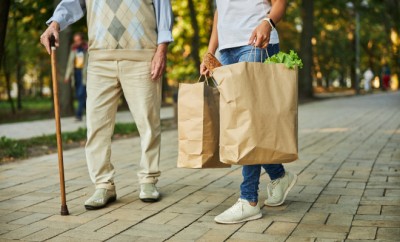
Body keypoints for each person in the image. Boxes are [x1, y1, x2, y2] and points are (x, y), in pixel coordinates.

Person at [40, 0, 173, 210]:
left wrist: (162, 48)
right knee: (97, 125)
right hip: (100, 59)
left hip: (142, 55)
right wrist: (55, 23)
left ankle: (148, 179)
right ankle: (103, 184)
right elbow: (73, 2)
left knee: (148, 122)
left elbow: (163, 7)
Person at [201, 0, 297, 224]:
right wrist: (209, 51)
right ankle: (278, 175)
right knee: (242, 122)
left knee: (249, 122)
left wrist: (268, 22)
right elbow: (219, 12)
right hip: (227, 50)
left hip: (257, 43)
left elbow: (280, 3)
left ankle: (249, 200)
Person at [65, 33, 88, 121]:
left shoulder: (87, 49)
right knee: (80, 96)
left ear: (81, 40)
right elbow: (70, 64)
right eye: (75, 40)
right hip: (76, 74)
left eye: (78, 40)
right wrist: (67, 76)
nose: (77, 42)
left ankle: (78, 115)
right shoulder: (74, 50)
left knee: (81, 94)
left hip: (85, 74)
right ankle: (90, 112)